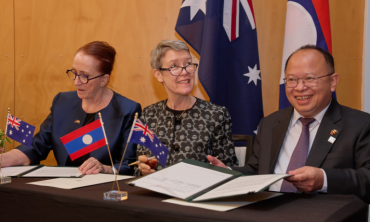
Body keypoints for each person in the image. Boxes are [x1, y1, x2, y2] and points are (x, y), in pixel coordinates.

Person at [209, 45, 370, 203]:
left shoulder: (360, 125)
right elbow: (257, 171)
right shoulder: (270, 123)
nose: (300, 88)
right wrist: (229, 173)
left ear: (333, 81)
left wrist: (324, 180)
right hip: (267, 215)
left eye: (309, 78)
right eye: (292, 80)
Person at [2, 41, 141, 175]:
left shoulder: (127, 110)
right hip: (62, 188)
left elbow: (128, 164)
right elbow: (37, 146)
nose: (76, 82)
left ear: (104, 80)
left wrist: (105, 169)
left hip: (101, 191)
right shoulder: (62, 102)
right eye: (74, 73)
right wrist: (4, 159)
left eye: (84, 76)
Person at [135, 39, 238, 176]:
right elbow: (136, 168)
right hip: (155, 194)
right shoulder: (148, 114)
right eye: (174, 66)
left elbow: (230, 170)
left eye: (188, 64)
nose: (185, 72)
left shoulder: (217, 115)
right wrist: (143, 170)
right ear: (159, 75)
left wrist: (222, 170)